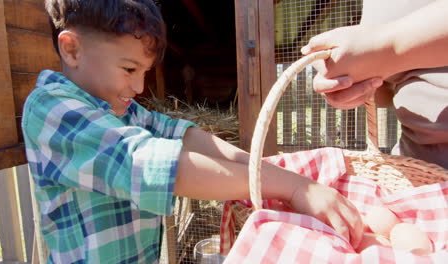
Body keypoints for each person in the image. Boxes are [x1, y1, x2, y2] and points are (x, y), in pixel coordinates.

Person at [22, 0, 363, 262]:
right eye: (129, 69)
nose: (139, 87)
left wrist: (271, 173)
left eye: (144, 71)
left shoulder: (118, 109)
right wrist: (290, 186)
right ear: (72, 49)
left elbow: (182, 134)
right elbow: (157, 164)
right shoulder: (51, 110)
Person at [301, 0, 448, 169]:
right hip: (415, 169)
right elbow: (388, 93)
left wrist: (388, 47)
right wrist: (351, 85)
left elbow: (387, 48)